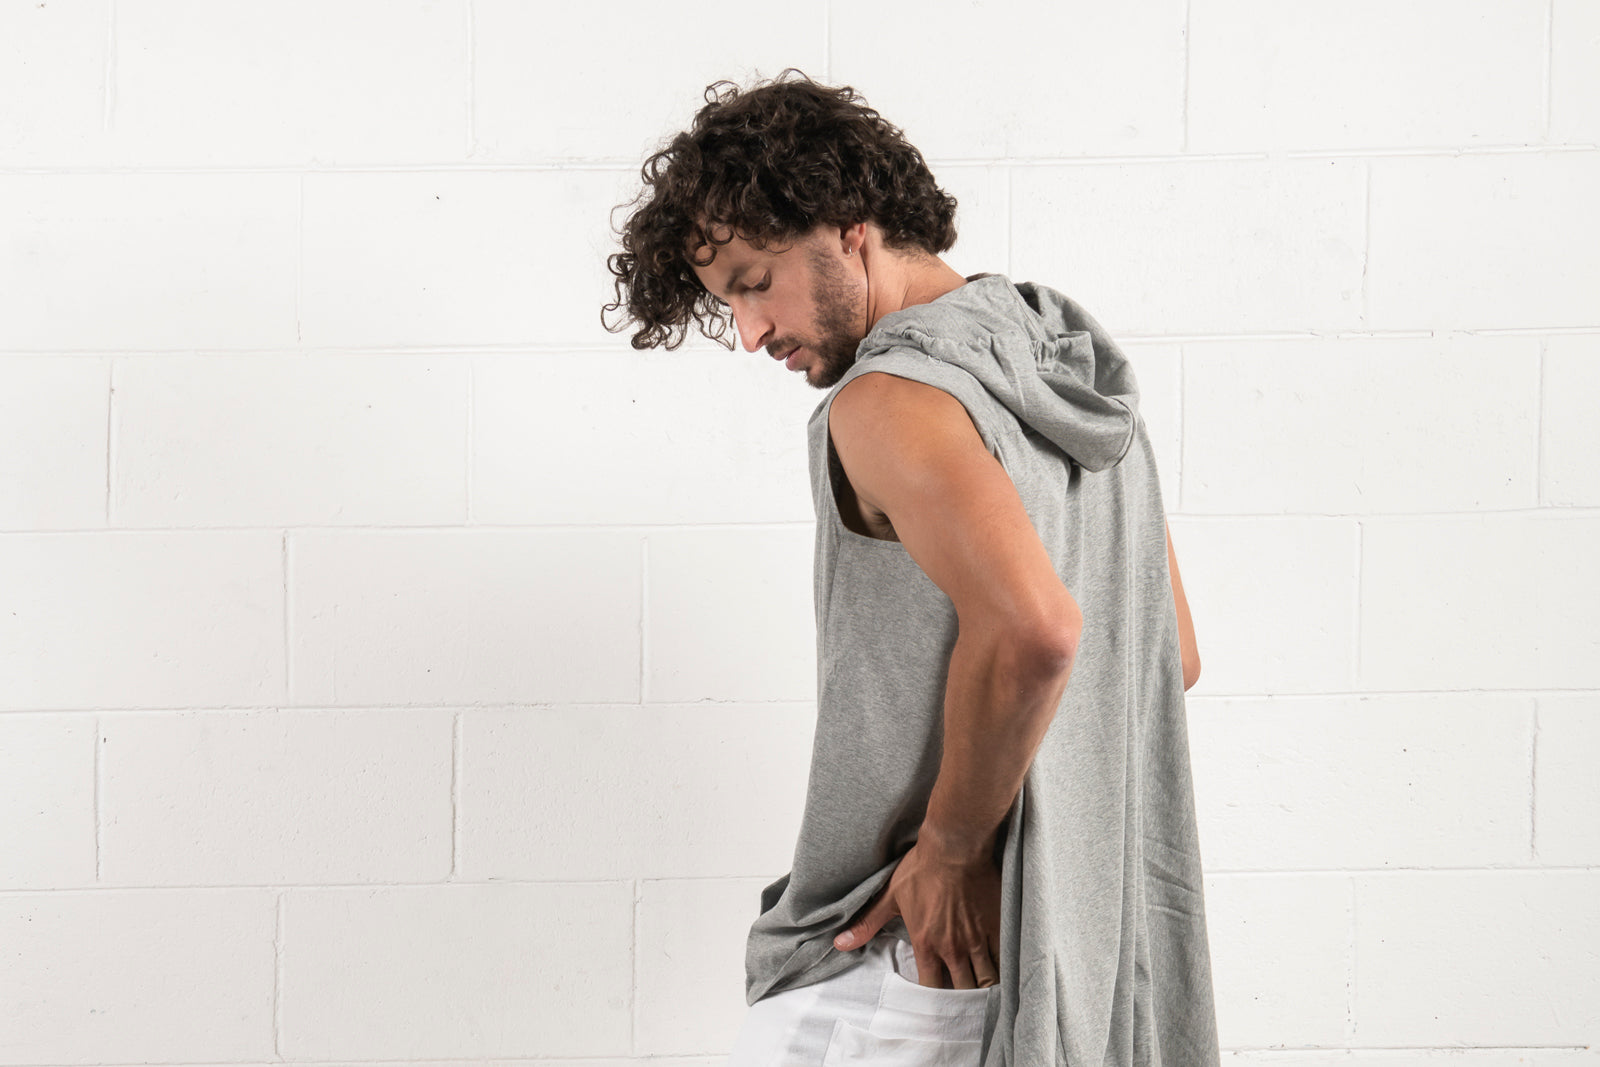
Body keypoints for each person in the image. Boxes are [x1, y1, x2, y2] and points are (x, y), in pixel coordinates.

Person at [602, 69, 1220, 1067]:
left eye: (755, 283)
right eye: (728, 307)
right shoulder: (1068, 372)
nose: (750, 332)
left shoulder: (889, 398)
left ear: (847, 225)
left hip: (916, 938)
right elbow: (1166, 652)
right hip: (1071, 944)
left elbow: (1037, 629)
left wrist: (952, 847)